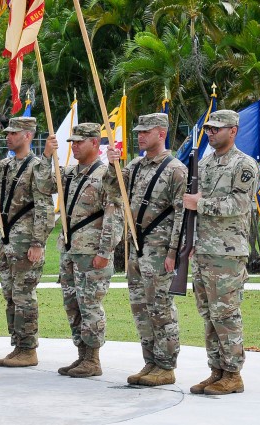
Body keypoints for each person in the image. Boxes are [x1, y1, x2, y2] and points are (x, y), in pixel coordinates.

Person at [106, 112, 187, 386]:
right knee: (141, 308)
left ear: (161, 134)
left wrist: (174, 252)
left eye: (145, 132)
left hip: (160, 249)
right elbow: (114, 190)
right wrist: (111, 166)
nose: (139, 136)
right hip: (138, 249)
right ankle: (150, 361)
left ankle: (166, 366)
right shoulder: (137, 165)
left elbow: (180, 215)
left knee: (161, 308)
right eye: (138, 132)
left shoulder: (175, 169)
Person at [183, 110, 259, 395]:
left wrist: (199, 204)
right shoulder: (204, 164)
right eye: (209, 129)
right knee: (208, 314)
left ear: (233, 130)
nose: (211, 133)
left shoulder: (243, 165)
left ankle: (233, 373)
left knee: (226, 314)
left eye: (217, 129)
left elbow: (239, 205)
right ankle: (216, 371)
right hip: (203, 250)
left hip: (227, 252)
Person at [46, 123, 123, 378]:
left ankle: (93, 358)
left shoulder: (106, 175)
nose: (74, 146)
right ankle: (81, 354)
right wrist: (47, 154)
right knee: (73, 305)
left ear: (95, 143)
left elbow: (114, 216)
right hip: (70, 249)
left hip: (92, 252)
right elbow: (43, 184)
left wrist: (105, 251)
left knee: (90, 304)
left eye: (80, 141)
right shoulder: (70, 173)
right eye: (72, 142)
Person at [0, 116, 55, 367]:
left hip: (25, 242)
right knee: (10, 295)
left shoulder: (37, 167)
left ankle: (28, 347)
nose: (8, 137)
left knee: (24, 296)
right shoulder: (8, 165)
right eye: (8, 133)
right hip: (8, 239)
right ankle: (17, 344)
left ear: (27, 136)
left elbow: (44, 207)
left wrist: (37, 243)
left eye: (13, 133)